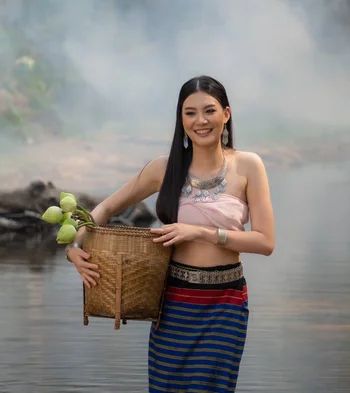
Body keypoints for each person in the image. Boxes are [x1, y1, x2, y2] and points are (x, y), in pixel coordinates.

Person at [65, 75, 275, 392]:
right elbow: (105, 209)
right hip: (173, 301)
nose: (200, 121)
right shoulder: (163, 169)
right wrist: (73, 246)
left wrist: (201, 232)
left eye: (209, 111)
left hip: (224, 304)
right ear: (181, 119)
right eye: (190, 112)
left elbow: (265, 242)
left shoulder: (248, 166)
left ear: (226, 115)